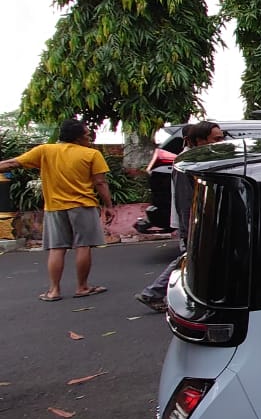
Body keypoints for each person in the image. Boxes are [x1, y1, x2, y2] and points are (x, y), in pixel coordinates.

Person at [0, 119, 114, 301]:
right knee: (83, 246)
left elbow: (12, 163)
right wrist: (108, 206)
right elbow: (100, 182)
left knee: (57, 248)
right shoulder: (92, 154)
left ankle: (53, 291)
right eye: (86, 135)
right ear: (77, 138)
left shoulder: (45, 151)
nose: (89, 138)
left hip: (54, 207)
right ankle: (82, 287)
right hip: (83, 206)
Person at [135, 121, 224, 312]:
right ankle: (153, 293)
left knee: (189, 258)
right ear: (200, 140)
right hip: (191, 223)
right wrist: (190, 228)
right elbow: (185, 200)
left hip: (195, 222)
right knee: (187, 258)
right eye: (216, 139)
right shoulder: (186, 163)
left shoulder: (197, 159)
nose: (221, 142)